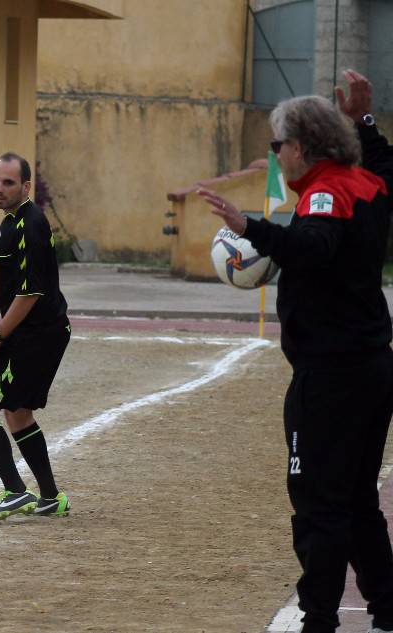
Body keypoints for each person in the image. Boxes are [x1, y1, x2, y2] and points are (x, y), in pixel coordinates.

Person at [198, 76, 393, 633]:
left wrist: (249, 228)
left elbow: (313, 246)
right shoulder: (367, 183)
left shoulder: (327, 193)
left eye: (277, 144)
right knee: (356, 500)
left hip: (333, 376)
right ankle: (386, 605)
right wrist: (363, 121)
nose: (275, 154)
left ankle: (319, 621)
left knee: (318, 504)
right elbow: (386, 170)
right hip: (370, 367)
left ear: (302, 147)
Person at [0, 152, 72, 524]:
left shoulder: (31, 224)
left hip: (39, 334)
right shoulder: (8, 224)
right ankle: (48, 497)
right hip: (21, 331)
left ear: (25, 187)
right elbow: (10, 277)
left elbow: (30, 294)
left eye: (8, 182)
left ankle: (16, 492)